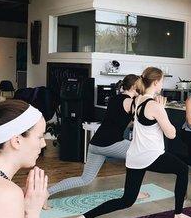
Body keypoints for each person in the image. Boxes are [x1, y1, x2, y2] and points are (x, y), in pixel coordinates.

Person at [72, 67, 191, 218]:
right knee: (183, 169)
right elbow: (171, 134)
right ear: (156, 82)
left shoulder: (138, 100)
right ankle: (178, 214)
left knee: (127, 200)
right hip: (151, 155)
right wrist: (162, 110)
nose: (163, 84)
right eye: (162, 81)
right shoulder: (155, 106)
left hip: (135, 156)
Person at [45, 74, 148, 207]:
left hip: (95, 144)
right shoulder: (132, 102)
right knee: (141, 156)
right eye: (140, 85)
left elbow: (118, 121)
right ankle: (132, 193)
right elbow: (140, 121)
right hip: (111, 143)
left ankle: (47, 192)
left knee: (85, 179)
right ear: (135, 86)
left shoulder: (113, 99)